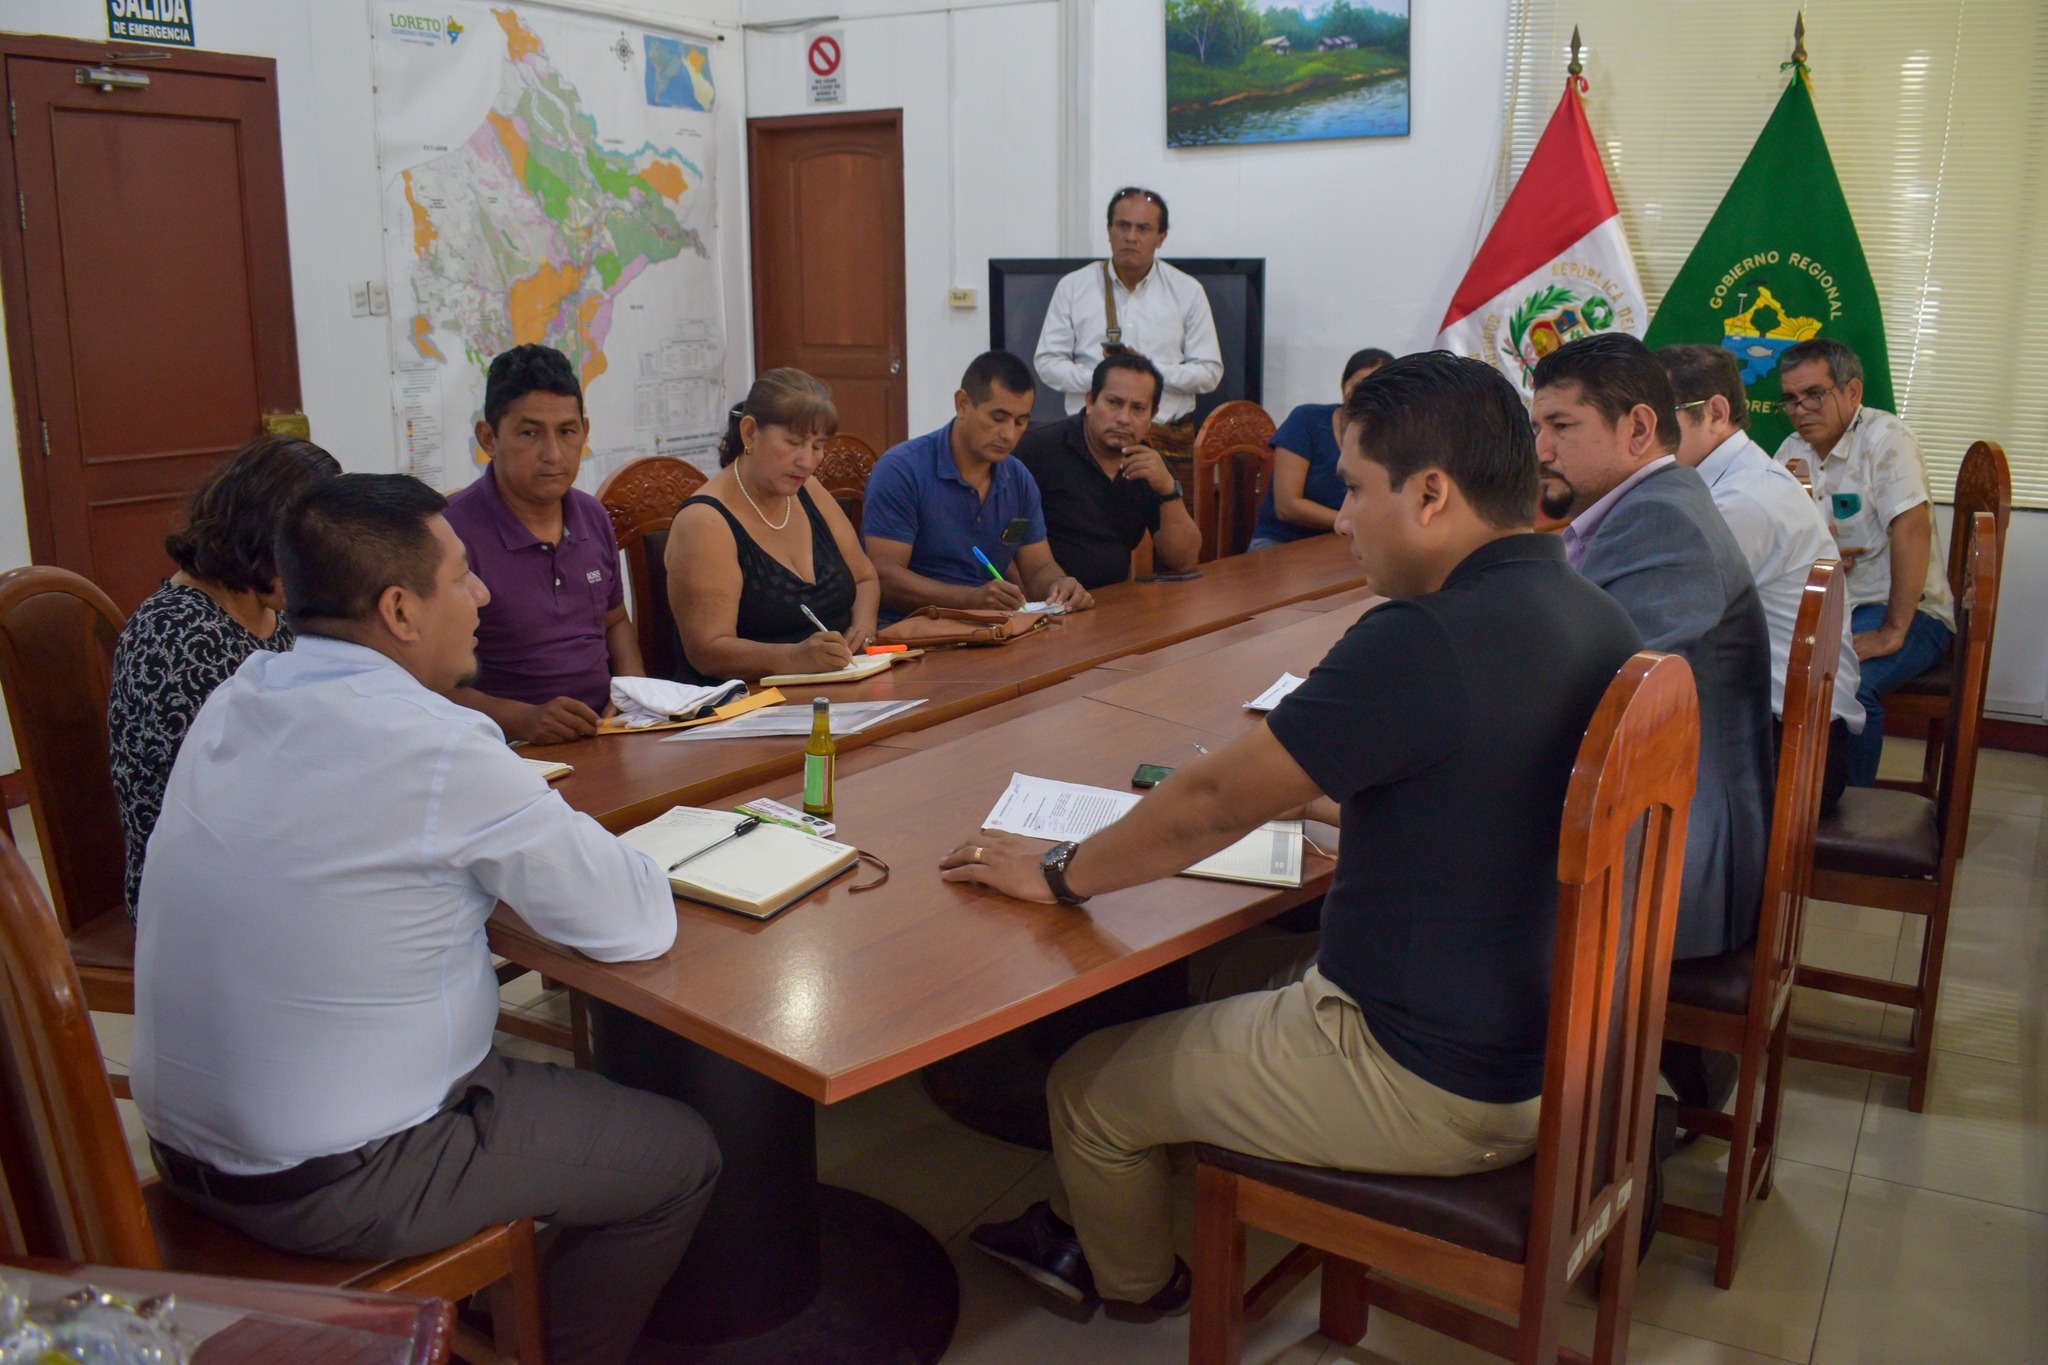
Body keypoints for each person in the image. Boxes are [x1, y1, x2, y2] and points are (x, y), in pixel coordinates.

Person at [949, 352, 1642, 1321]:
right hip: (1545, 1040)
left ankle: (1135, 1290)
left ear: (1432, 494)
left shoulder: (1421, 634)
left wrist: (1061, 874)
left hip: (1426, 1077)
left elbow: (1208, 806)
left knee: (1084, 1086)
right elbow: (1468, 792)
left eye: (1355, 490)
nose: (1343, 517)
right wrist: (1312, 797)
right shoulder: (1592, 613)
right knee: (1226, 980)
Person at [131, 475, 719, 1365]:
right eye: (463, 577)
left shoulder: (242, 692)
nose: (482, 596)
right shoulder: (435, 742)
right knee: (680, 1157)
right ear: (401, 609)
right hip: (337, 1176)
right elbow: (635, 922)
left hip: (181, 1145)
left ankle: (505, 1307)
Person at [1533, 333, 1774, 965]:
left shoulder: (1661, 520)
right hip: (1663, 822)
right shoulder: (1652, 503)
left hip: (1680, 860)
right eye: (1538, 427)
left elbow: (1593, 705)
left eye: (1561, 425)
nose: (1542, 450)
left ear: (1638, 427)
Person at [107, 435, 341, 922]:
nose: (316, 569)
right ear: (259, 537)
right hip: (197, 885)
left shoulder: (276, 615)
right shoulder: (174, 637)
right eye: (303, 551)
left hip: (274, 845)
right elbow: (226, 805)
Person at [1660, 343, 1864, 814]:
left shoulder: (1742, 501)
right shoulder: (1730, 480)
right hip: (1778, 729)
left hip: (1791, 749)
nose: (1644, 435)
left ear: (1714, 412)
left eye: (1659, 416)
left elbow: (1661, 623)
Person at [1773, 338, 1954, 787]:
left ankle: (1850, 818)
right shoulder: (1791, 450)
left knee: (1850, 685)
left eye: (1815, 394)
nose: (1800, 410)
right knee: (1764, 669)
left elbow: (1913, 529)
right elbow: (1777, 537)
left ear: (1852, 392)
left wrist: (1893, 632)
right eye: (1791, 399)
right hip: (1834, 608)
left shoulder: (1886, 439)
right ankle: (1788, 802)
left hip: (1910, 611)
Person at [444, 343, 645, 744]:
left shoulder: (592, 516)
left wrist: (635, 696)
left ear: (584, 432)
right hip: (505, 749)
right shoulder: (449, 533)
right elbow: (426, 683)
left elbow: (615, 621)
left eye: (567, 432)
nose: (553, 454)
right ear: (489, 438)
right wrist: (522, 720)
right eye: (530, 432)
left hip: (607, 733)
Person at [664, 369, 881, 681]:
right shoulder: (705, 521)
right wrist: (793, 657)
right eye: (793, 443)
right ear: (750, 433)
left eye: (817, 446)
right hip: (745, 703)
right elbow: (706, 651)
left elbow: (865, 580)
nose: (807, 462)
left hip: (838, 682)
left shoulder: (810, 491)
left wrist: (863, 628)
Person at [863, 352, 1095, 621]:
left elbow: (1037, 568)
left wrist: (1060, 586)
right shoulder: (901, 470)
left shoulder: (1018, 478)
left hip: (992, 628)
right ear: (962, 404)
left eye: (1021, 422)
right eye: (998, 418)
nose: (1009, 434)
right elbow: (884, 576)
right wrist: (967, 599)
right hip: (913, 634)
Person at [1033, 188, 1222, 448]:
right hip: (1086, 438)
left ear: (1161, 237)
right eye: (1122, 226)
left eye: (1143, 228)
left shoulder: (1188, 291)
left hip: (1166, 439)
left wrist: (1151, 373)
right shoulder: (1073, 287)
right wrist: (1105, 380)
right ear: (1109, 230)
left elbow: (1209, 372)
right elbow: (1047, 363)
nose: (1131, 237)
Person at [1013, 354, 1202, 589]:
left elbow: (1184, 562)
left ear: (1153, 416)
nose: (1124, 418)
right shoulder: (1038, 447)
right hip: (1045, 603)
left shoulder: (1151, 467)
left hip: (1114, 603)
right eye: (1114, 402)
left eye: (1138, 408)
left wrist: (1168, 491)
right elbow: (1001, 537)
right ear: (1090, 401)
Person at [1249, 348, 1396, 550]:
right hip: (1281, 542)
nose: (1364, 394)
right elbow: (1287, 506)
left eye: (1375, 387)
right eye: (1357, 385)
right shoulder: (1307, 420)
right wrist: (1350, 523)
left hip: (1346, 541)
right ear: (1343, 385)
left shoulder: (1391, 437)